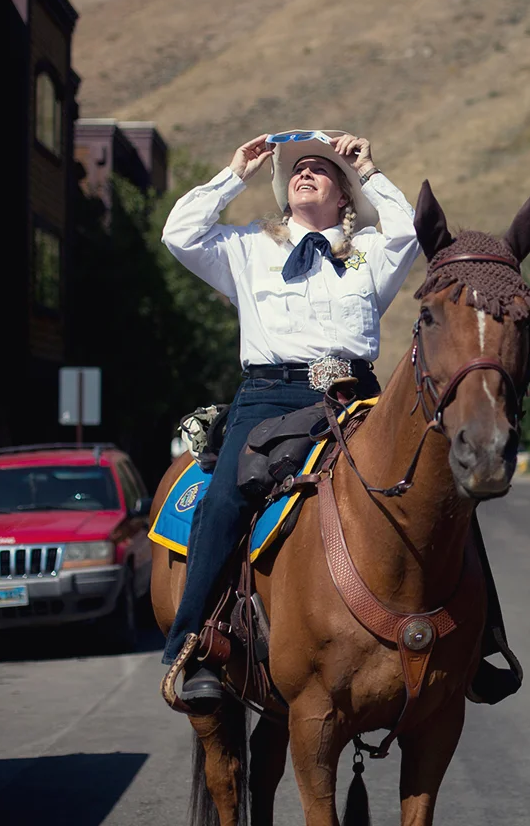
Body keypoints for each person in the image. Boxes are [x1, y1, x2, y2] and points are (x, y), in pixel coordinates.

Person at [158, 130, 421, 711]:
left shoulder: (370, 252)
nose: (305, 173)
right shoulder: (248, 248)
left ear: (343, 196)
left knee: (428, 486)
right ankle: (193, 648)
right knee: (224, 502)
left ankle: (480, 642)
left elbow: (411, 229)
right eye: (297, 169)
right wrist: (234, 175)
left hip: (355, 395)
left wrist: (370, 171)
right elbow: (179, 233)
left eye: (321, 170)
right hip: (269, 396)